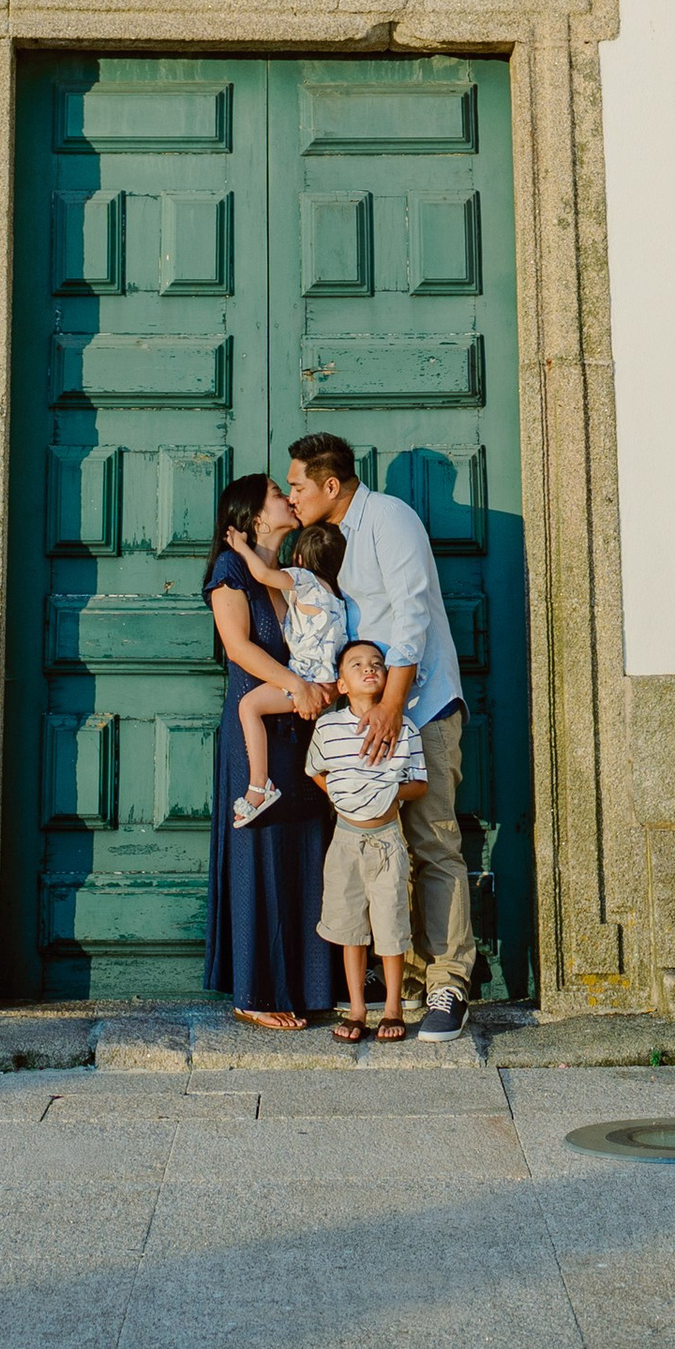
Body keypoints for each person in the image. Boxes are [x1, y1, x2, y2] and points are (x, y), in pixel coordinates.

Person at [286, 431, 476, 1039]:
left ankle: (450, 984)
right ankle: (411, 984)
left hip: (420, 710)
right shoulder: (334, 537)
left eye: (298, 485)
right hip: (372, 716)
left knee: (435, 845)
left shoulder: (390, 518)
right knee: (391, 855)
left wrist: (393, 702)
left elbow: (413, 610)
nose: (291, 496)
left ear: (331, 486)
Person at [203, 473, 337, 1027]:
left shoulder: (298, 573)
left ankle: (309, 985)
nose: (291, 498)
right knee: (259, 853)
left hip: (302, 728)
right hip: (255, 727)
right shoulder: (230, 570)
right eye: (278, 496)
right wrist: (298, 687)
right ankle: (255, 994)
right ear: (256, 517)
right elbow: (238, 647)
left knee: (307, 850)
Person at [305, 632, 428, 1043]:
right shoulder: (328, 727)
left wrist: (390, 793)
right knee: (349, 927)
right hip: (345, 841)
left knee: (391, 925)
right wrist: (342, 799)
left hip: (388, 840)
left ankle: (392, 1007)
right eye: (356, 665)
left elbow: (420, 784)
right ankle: (357, 1008)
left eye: (376, 663)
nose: (369, 668)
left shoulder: (404, 728)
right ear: (341, 684)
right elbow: (315, 771)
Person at [225, 518, 348, 826]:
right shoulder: (336, 597)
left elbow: (264, 574)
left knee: (249, 706)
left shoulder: (304, 580)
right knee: (321, 750)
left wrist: (240, 546)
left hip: (306, 680)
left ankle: (259, 785)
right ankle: (342, 799)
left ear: (301, 560)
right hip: (329, 684)